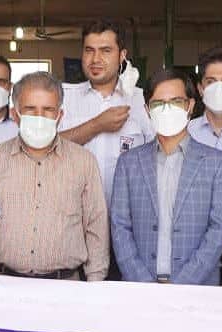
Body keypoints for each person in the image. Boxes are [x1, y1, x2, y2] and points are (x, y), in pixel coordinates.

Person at [109, 68, 222, 285]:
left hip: (197, 288)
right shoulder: (128, 163)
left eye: (176, 102)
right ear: (147, 110)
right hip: (140, 288)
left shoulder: (217, 163)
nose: (167, 109)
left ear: (190, 106)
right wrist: (144, 284)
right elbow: (120, 227)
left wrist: (183, 284)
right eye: (158, 104)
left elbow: (219, 229)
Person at [0, 72, 107, 281]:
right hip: (5, 283)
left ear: (60, 115)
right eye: (30, 109)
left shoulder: (84, 162)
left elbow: (96, 225)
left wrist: (95, 282)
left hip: (66, 285)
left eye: (48, 110)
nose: (39, 117)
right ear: (15, 114)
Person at [59, 19, 154, 204]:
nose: (96, 59)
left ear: (122, 56)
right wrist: (97, 125)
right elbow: (47, 147)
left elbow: (159, 153)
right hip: (74, 213)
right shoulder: (64, 98)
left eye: (106, 50)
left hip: (129, 213)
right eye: (89, 50)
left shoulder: (141, 100)